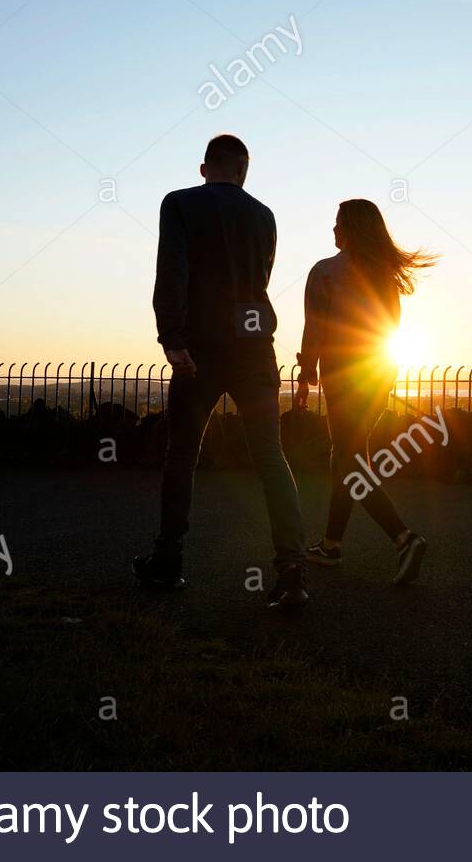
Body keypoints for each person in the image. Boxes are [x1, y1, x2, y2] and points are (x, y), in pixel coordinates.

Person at [134, 134, 310, 613]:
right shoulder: (265, 215)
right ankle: (292, 572)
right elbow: (262, 279)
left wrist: (173, 337)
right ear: (243, 171)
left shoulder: (179, 204)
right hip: (254, 346)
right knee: (271, 457)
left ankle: (168, 561)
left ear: (203, 167)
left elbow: (171, 270)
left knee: (182, 453)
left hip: (202, 347)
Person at [295, 199, 435, 584]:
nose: (333, 230)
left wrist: (306, 373)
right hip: (378, 374)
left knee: (351, 461)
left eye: (338, 223)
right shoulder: (385, 277)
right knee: (348, 457)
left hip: (343, 377)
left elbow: (315, 329)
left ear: (352, 228)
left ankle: (404, 538)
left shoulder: (325, 272)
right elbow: (390, 330)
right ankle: (331, 544)